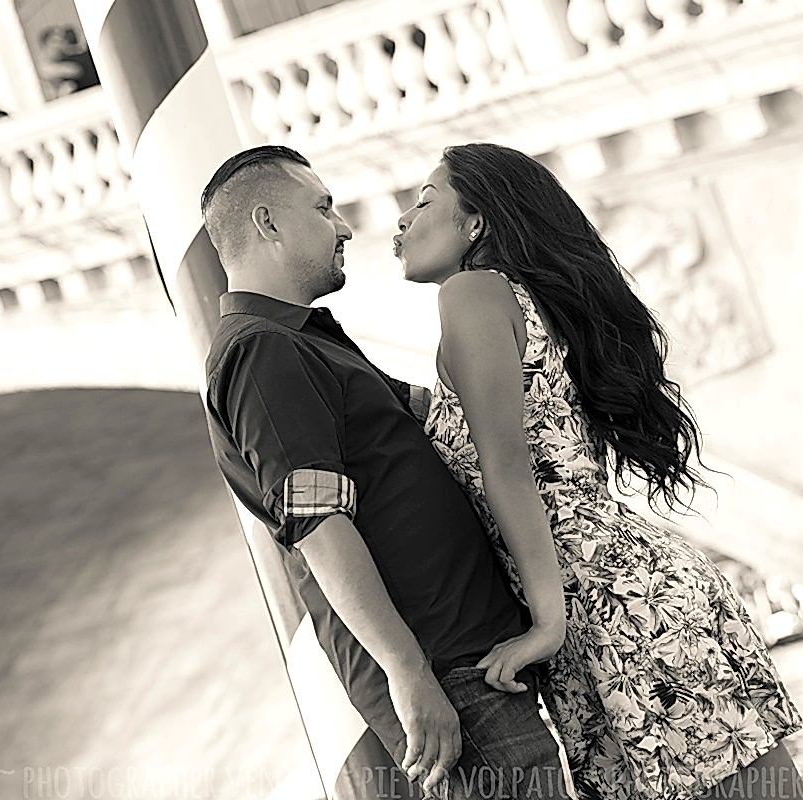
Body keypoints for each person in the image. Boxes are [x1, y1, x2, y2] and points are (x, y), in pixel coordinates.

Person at [394, 142, 803, 800]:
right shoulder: (521, 302)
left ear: (477, 224)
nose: (401, 222)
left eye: (422, 202)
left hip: (599, 601)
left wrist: (548, 625)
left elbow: (509, 467)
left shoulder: (472, 293)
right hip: (625, 587)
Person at [201, 145, 572, 800]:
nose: (344, 226)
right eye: (323, 208)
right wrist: (408, 673)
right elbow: (318, 523)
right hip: (445, 671)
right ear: (267, 223)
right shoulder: (264, 352)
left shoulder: (306, 342)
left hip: (468, 659)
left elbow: (451, 418)